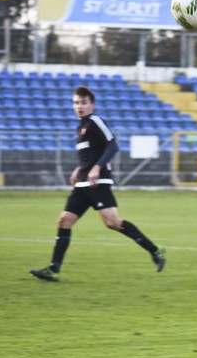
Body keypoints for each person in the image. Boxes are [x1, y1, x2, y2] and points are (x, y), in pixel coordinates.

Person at [30, 86, 166, 282]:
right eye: (76, 103)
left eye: (84, 102)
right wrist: (81, 169)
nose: (80, 106)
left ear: (92, 105)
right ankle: (54, 269)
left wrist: (96, 168)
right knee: (64, 221)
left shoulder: (95, 121)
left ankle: (156, 250)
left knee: (113, 223)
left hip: (98, 182)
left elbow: (112, 145)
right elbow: (91, 154)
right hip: (83, 183)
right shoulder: (81, 126)